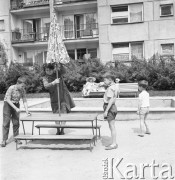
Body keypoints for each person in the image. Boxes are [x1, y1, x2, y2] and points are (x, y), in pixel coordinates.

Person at [42, 63, 75, 135]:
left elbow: (64, 71)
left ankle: (62, 130)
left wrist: (60, 64)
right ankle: (58, 130)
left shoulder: (58, 73)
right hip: (54, 98)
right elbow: (46, 86)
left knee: (64, 114)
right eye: (46, 70)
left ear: (52, 69)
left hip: (63, 97)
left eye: (49, 70)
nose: (48, 72)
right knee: (56, 115)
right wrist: (54, 82)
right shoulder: (45, 78)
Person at [1, 76, 31, 147]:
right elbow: (8, 99)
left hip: (16, 104)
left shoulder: (23, 90)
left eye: (24, 86)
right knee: (6, 122)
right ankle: (4, 140)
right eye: (22, 86)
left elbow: (24, 100)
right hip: (8, 105)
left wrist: (27, 111)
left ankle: (16, 138)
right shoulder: (11, 88)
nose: (23, 88)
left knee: (16, 122)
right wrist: (15, 108)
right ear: (18, 83)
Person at [103, 73, 119, 150]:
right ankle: (113, 142)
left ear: (110, 80)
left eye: (105, 80)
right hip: (113, 107)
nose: (104, 81)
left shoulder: (110, 88)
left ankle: (114, 144)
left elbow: (111, 100)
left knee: (112, 126)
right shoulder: (115, 86)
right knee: (111, 126)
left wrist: (106, 111)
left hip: (110, 107)